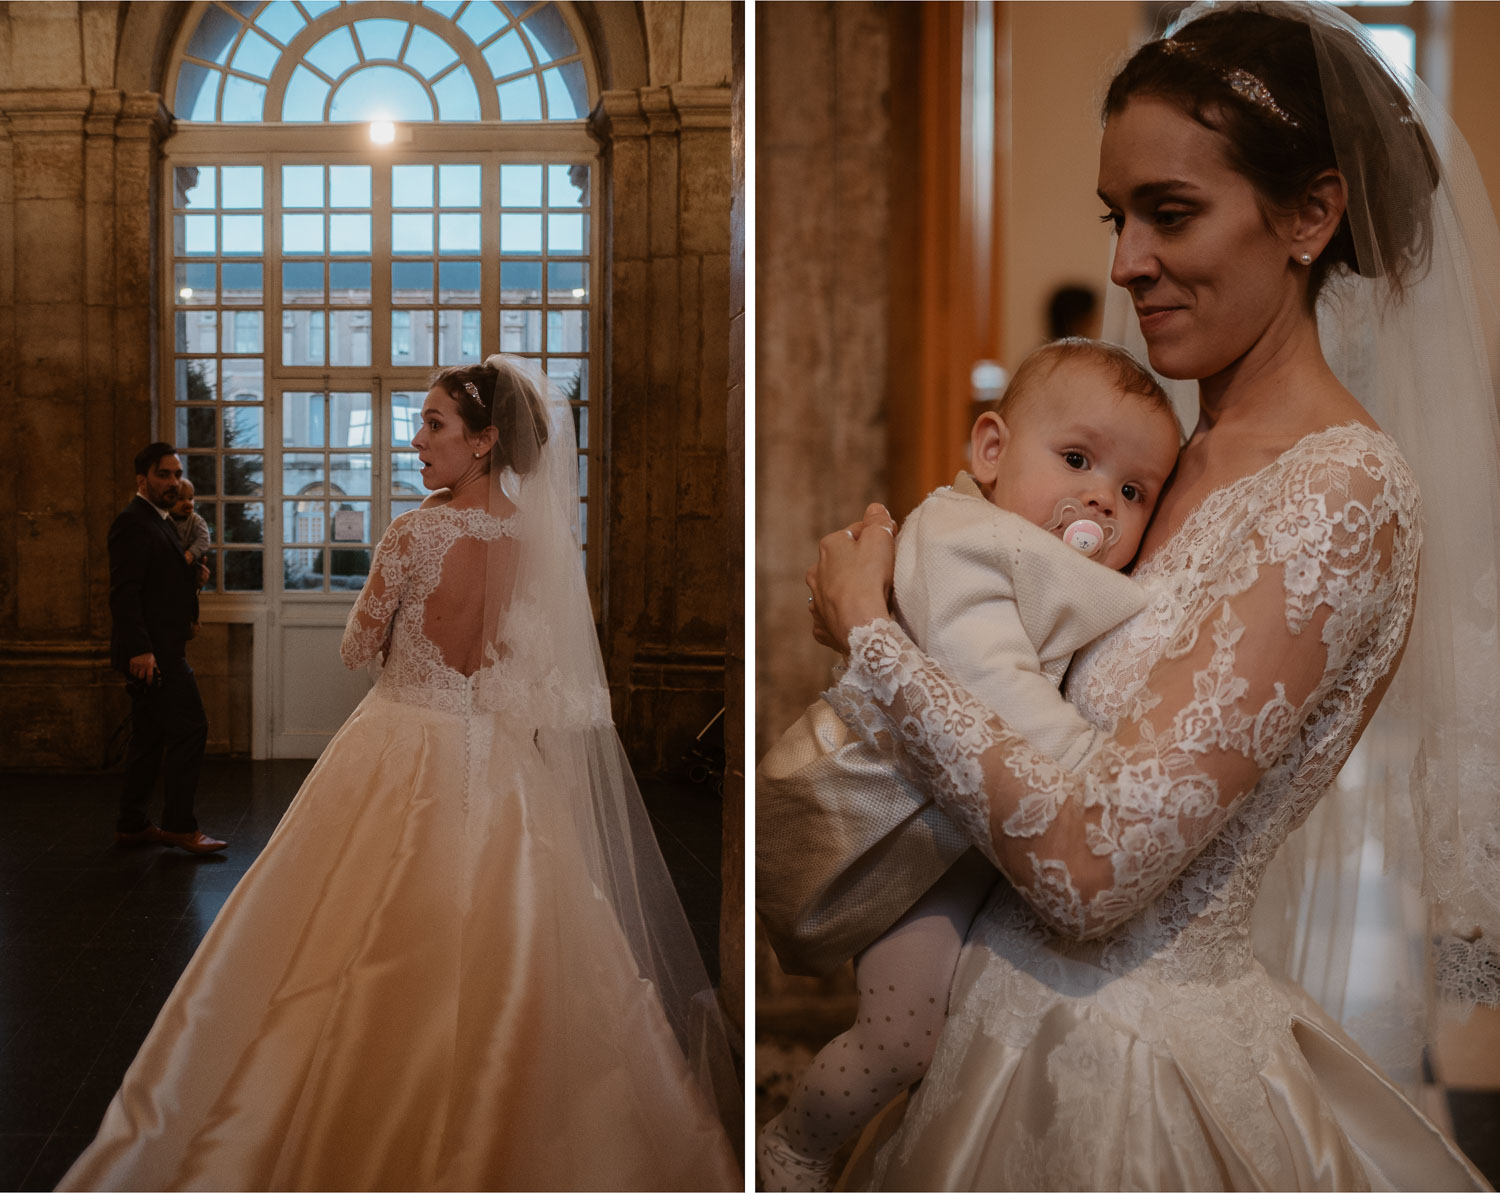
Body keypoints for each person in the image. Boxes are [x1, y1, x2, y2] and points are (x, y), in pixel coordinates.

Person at [801, 3, 1500, 1188]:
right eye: (1117, 217)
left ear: (1311, 214)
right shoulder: (1172, 449)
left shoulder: (1342, 493)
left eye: (1170, 213)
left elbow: (1091, 870)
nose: (1125, 261)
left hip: (1125, 1059)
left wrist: (872, 632)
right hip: (997, 1004)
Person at [62, 356, 740, 1191]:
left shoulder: (414, 531)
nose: (415, 440)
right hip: (494, 759)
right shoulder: (534, 541)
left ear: (484, 441)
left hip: (400, 742)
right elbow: (520, 658)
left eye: (434, 425)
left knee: (335, 934)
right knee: (523, 939)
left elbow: (356, 648)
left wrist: (389, 621)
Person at [756, 339, 1180, 1190]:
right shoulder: (965, 539)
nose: (1102, 494)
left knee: (953, 1027)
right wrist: (1097, 763)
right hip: (894, 829)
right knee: (902, 1035)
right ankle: (793, 1148)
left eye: (1134, 491)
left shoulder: (1036, 551)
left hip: (966, 830)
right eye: (1075, 459)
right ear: (991, 451)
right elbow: (988, 681)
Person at [108, 443, 225, 855]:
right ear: (142, 480)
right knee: (191, 729)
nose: (174, 483)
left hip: (162, 648)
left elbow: (157, 581)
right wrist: (141, 650)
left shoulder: (157, 521)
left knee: (149, 737)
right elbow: (125, 593)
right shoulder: (134, 522)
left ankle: (133, 823)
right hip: (155, 653)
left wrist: (190, 576)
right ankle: (178, 826)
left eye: (177, 474)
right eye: (164, 475)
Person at [169, 478, 210, 570]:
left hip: (191, 564)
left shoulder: (196, 520)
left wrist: (191, 553)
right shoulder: (164, 519)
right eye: (181, 499)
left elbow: (204, 539)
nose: (188, 503)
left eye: (190, 498)